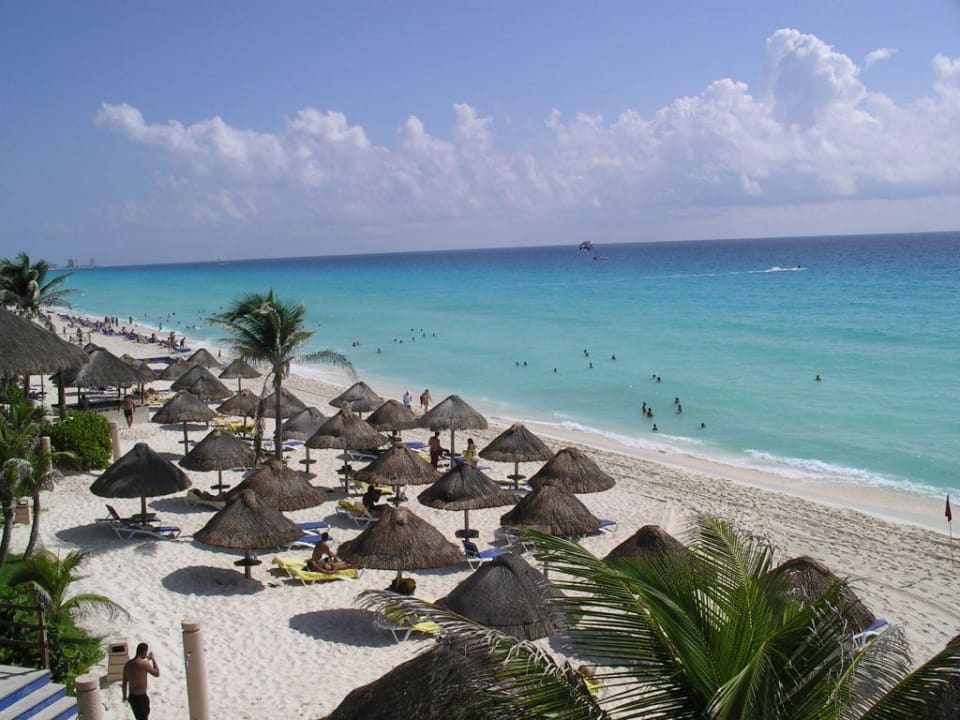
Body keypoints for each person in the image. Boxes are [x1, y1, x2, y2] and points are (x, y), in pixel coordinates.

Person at [123, 642, 159, 720]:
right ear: (144, 652)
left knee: (139, 718)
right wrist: (153, 659)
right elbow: (156, 673)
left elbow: (124, 683)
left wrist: (124, 696)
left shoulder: (127, 665)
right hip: (141, 697)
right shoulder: (144, 664)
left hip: (132, 697)